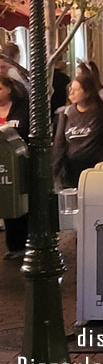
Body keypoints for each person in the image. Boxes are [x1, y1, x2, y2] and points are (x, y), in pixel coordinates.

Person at [53, 74, 103, 189]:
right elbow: (59, 144)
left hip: (94, 170)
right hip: (71, 172)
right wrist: (54, 172)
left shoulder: (101, 114)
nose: (71, 93)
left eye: (76, 90)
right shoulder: (66, 114)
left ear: (87, 93)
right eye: (70, 89)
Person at [0, 75, 30, 259]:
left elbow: (24, 130)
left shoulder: (21, 108)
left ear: (9, 90)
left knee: (15, 200)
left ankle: (19, 244)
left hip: (16, 161)